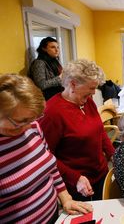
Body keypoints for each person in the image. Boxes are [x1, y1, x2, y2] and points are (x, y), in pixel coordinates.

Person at [0, 74, 92, 223]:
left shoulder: (33, 126)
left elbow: (49, 164)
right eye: (20, 122)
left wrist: (65, 197)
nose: (28, 127)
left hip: (53, 216)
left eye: (32, 119)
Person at [39, 59, 115, 201]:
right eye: (91, 88)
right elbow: (46, 155)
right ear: (73, 84)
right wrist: (74, 177)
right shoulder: (52, 113)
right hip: (77, 183)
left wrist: (113, 154)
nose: (93, 93)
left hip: (100, 173)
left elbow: (100, 131)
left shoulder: (87, 101)